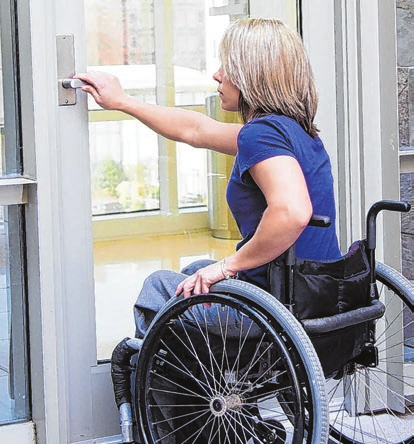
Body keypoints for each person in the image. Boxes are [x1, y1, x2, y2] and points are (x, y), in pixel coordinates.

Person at [76, 18, 340, 410]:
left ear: (252, 75)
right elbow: (195, 129)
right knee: (193, 269)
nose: (217, 75)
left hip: (276, 302)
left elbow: (292, 212)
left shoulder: (261, 135)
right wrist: (123, 101)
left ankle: (183, 426)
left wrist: (227, 267)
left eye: (226, 66)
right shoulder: (292, 130)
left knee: (160, 288)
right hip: (316, 290)